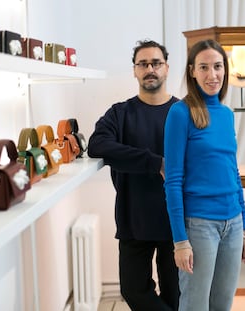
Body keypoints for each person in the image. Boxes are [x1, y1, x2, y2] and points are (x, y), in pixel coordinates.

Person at [88, 39, 179, 311]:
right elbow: (97, 145)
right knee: (133, 290)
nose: (150, 69)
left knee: (176, 295)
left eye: (156, 63)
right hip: (133, 218)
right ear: (134, 70)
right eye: (143, 64)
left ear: (167, 68)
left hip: (176, 221)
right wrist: (156, 163)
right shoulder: (119, 113)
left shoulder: (183, 112)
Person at [163, 39, 245, 311]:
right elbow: (173, 180)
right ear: (192, 71)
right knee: (195, 305)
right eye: (203, 67)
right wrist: (180, 241)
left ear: (225, 70)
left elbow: (232, 173)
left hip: (233, 224)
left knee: (222, 305)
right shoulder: (180, 113)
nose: (211, 75)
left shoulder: (226, 114)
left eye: (217, 66)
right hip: (199, 225)